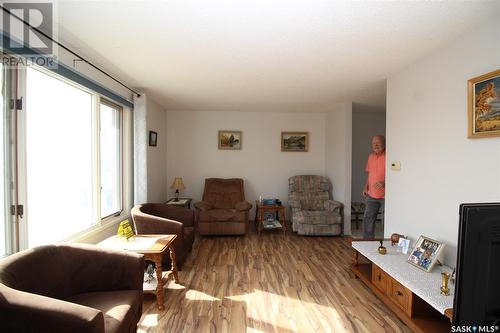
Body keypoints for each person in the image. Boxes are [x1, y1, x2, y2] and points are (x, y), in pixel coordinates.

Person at [362, 135, 386, 239]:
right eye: (373, 143)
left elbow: (396, 174)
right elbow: (370, 174)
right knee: (368, 218)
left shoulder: (390, 156)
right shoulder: (371, 157)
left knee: (388, 219)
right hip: (372, 194)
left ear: (384, 144)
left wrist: (385, 182)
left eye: (378, 143)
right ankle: (367, 242)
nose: (375, 145)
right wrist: (365, 187)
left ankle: (388, 241)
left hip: (386, 195)